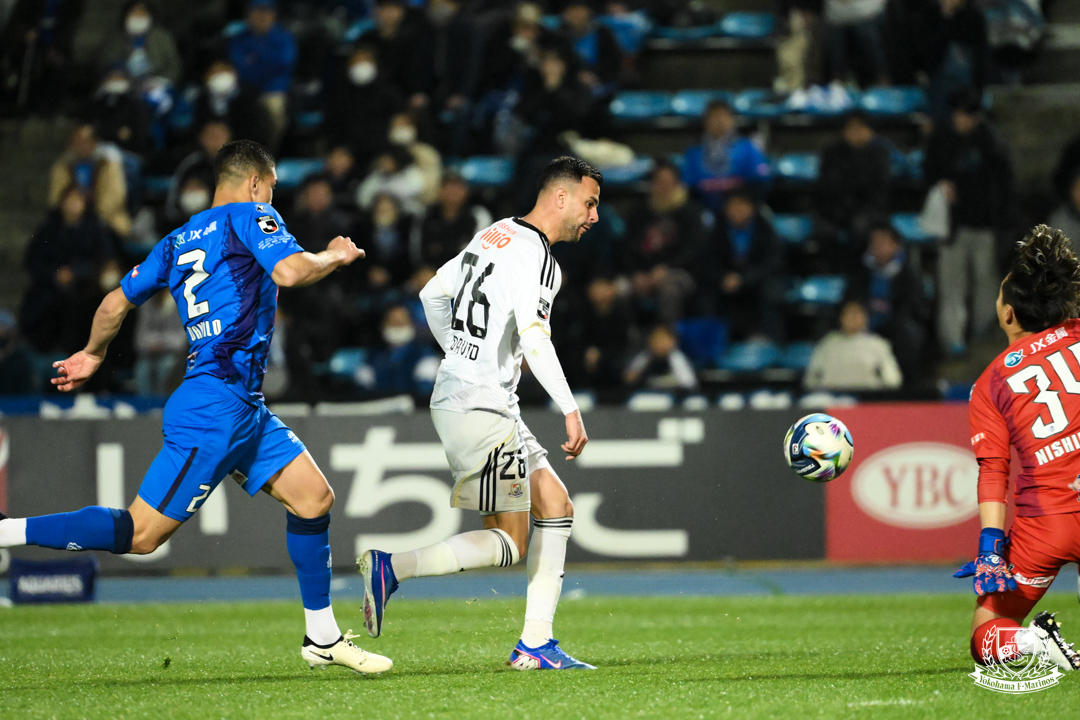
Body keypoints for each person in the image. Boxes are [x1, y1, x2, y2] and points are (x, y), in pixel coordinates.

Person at [0, 140, 391, 675]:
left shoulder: (176, 240)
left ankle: (321, 637)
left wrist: (92, 353)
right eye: (272, 187)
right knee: (142, 534)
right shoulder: (251, 216)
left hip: (241, 404)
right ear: (255, 183)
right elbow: (290, 272)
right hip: (214, 406)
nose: (272, 197)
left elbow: (115, 303)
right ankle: (5, 531)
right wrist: (334, 256)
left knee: (313, 498)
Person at [358, 156, 600, 671]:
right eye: (590, 202)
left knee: (555, 504)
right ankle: (392, 567)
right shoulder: (540, 258)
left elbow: (431, 293)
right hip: (480, 404)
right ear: (561, 197)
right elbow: (535, 337)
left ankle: (535, 644)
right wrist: (570, 409)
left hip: (478, 399)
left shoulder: (494, 232)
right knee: (509, 541)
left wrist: (461, 353)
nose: (594, 216)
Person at [958, 225, 1080, 674]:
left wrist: (991, 547)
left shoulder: (990, 382)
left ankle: (1034, 641)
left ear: (1008, 314)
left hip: (1046, 523)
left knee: (987, 632)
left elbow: (993, 469)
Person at [926, 89, 1014, 356]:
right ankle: (952, 342)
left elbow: (1005, 185)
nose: (963, 120)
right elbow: (928, 173)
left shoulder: (992, 141)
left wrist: (1003, 224)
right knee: (952, 287)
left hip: (985, 226)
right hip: (952, 227)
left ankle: (982, 336)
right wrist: (940, 185)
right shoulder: (940, 139)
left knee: (986, 284)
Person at [227, 0, 297, 150]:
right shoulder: (240, 38)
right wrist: (259, 64)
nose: (262, 16)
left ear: (273, 14)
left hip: (273, 89)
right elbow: (238, 66)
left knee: (274, 111)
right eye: (257, 11)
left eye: (266, 12)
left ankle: (269, 152)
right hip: (245, 90)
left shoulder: (284, 37)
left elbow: (283, 63)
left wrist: (255, 61)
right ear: (249, 14)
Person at [681, 100, 770, 214]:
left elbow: (760, 182)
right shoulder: (694, 152)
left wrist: (742, 207)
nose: (719, 121)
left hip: (740, 213)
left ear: (732, 120)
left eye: (723, 116)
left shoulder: (747, 148)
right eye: (714, 116)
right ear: (705, 122)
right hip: (705, 212)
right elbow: (689, 188)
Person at [803, 300, 902, 390]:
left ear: (865, 317)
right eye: (848, 314)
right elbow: (811, 380)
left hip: (867, 398)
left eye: (856, 314)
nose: (852, 318)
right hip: (831, 398)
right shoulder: (828, 344)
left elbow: (893, 380)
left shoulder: (877, 344)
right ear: (841, 317)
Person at [624, 324, 698, 391]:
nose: (660, 344)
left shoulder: (678, 358)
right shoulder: (645, 357)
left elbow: (689, 383)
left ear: (673, 341)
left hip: (673, 393)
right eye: (656, 340)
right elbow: (629, 378)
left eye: (664, 339)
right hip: (648, 393)